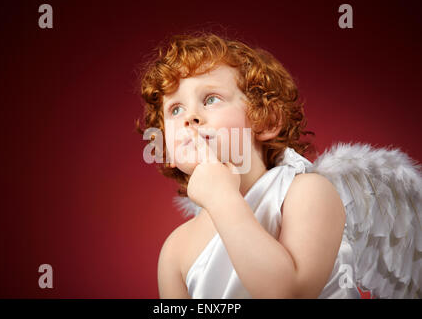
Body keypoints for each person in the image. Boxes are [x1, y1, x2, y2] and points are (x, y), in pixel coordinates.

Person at [136, 33, 422, 298]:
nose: (190, 117)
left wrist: (224, 199)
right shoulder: (176, 250)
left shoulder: (308, 193)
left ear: (267, 120)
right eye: (175, 109)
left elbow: (288, 293)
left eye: (211, 99)